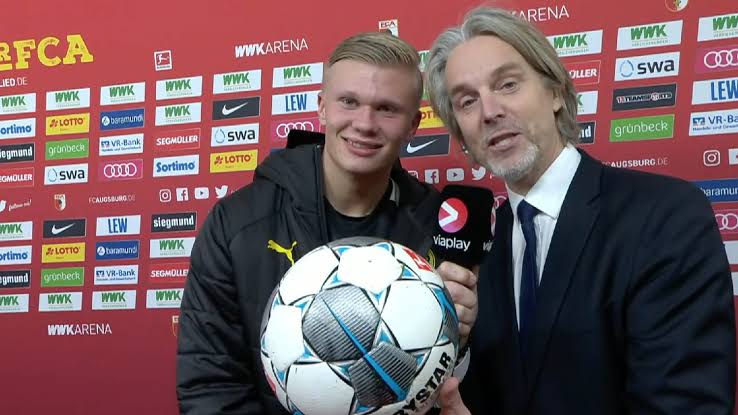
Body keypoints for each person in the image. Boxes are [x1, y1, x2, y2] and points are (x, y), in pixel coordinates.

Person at [427, 7, 736, 414]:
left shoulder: (665, 216)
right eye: (467, 101)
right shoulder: (477, 253)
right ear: (461, 135)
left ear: (555, 92)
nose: (489, 112)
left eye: (507, 84)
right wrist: (458, 344)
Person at [177, 32, 478, 414]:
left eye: (387, 109)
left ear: (414, 124)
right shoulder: (238, 223)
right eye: (349, 102)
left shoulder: (442, 232)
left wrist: (458, 340)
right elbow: (210, 385)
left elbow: (455, 387)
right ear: (322, 107)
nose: (364, 124)